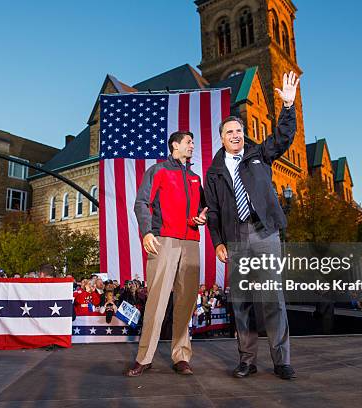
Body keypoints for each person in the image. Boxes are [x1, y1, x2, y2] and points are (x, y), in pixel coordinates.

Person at [204, 71, 299, 380]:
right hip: (236, 238)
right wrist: (217, 241)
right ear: (221, 137)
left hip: (265, 232)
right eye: (230, 131)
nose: (236, 135)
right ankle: (247, 360)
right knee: (242, 302)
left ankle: (281, 360)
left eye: (239, 130)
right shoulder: (215, 171)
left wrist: (288, 106)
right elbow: (214, 211)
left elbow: (283, 137)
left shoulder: (259, 153)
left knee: (272, 298)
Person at [126, 130, 208, 377]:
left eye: (193, 142)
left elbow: (204, 207)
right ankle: (144, 357)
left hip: (191, 241)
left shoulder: (195, 178)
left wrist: (202, 217)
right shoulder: (158, 170)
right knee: (157, 300)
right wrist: (147, 232)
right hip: (164, 240)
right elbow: (142, 203)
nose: (192, 145)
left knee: (186, 302)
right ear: (175, 145)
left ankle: (181, 356)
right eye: (188, 142)